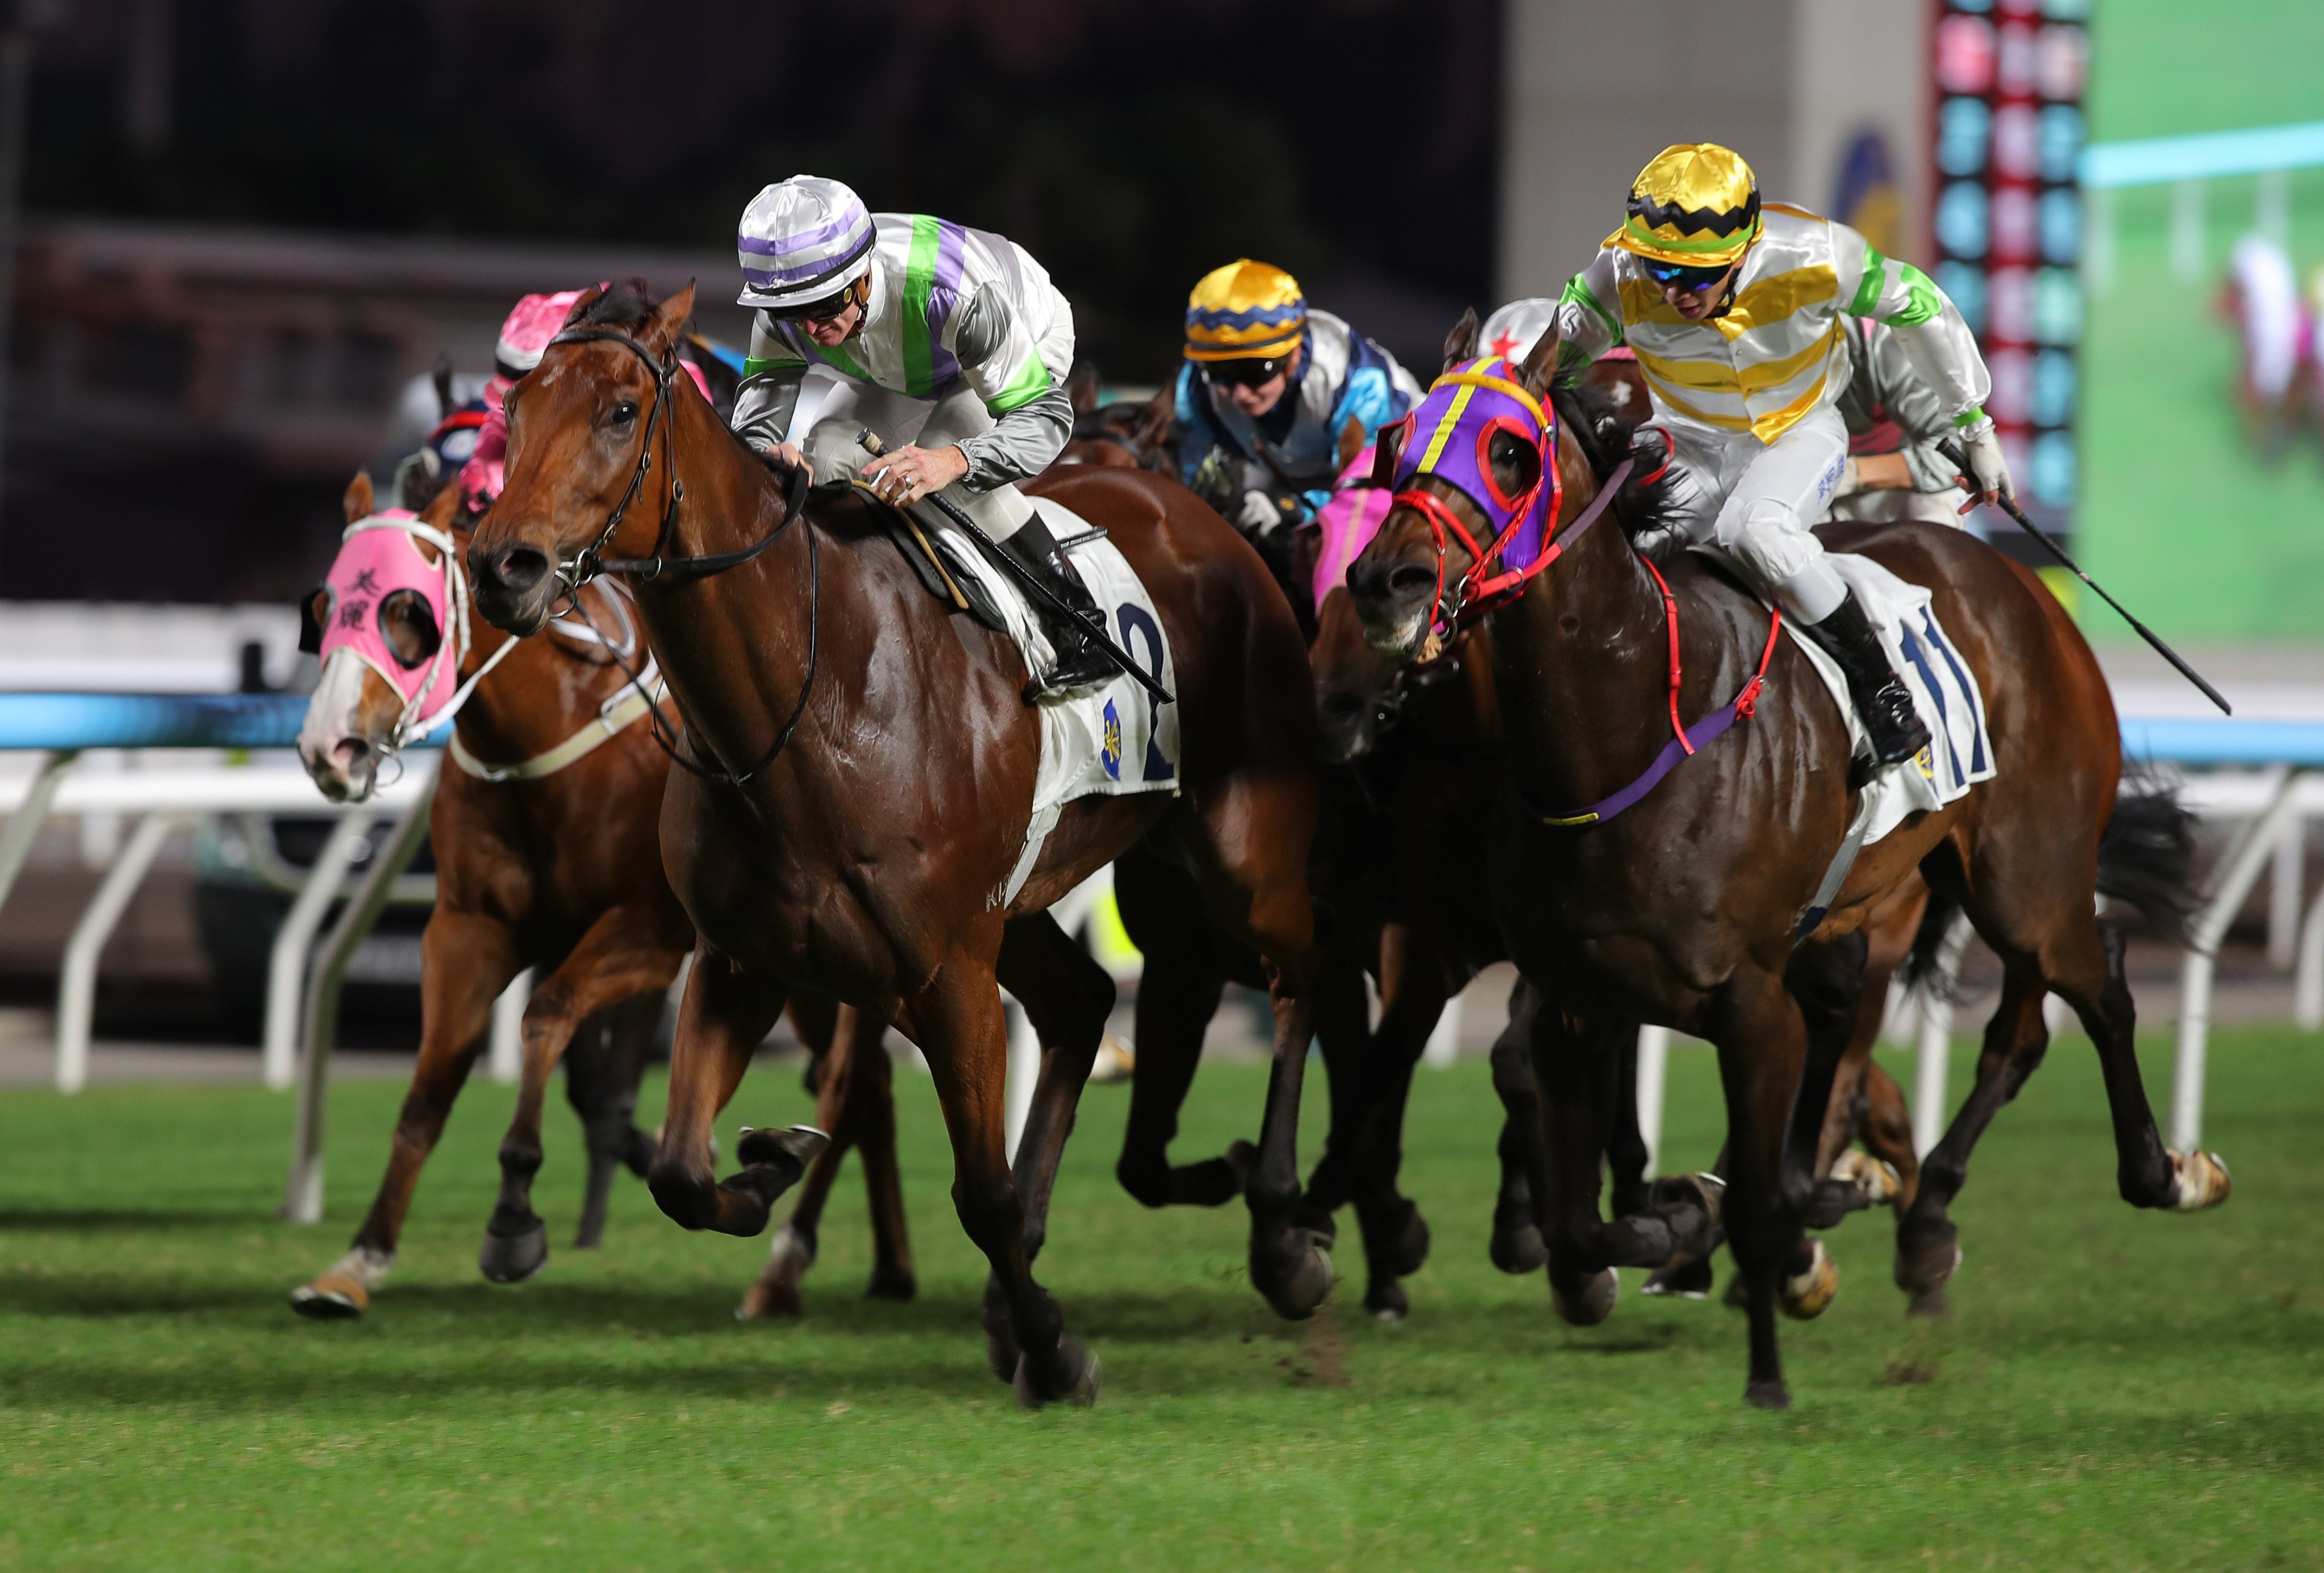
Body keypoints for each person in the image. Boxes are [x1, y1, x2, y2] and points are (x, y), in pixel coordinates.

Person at [1546, 143, 2012, 769]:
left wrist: (1974, 424)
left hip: (1797, 434)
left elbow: (1921, 304)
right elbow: (1545, 369)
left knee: (1757, 530)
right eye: (1662, 270)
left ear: (1742, 250)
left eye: (1698, 274)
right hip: (1686, 439)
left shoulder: (1818, 255)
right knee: (1612, 557)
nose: (1678, 292)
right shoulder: (1618, 275)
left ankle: (1883, 692)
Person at [728, 175, 1111, 699]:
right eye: (791, 315)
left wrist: (952, 461)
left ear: (862, 276)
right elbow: (753, 434)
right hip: (915, 362)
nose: (810, 330)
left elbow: (1044, 420)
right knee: (828, 456)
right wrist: (766, 455)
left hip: (1021, 332)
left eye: (822, 308)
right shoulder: (786, 308)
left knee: (946, 479)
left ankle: (1082, 627)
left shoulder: (952, 292)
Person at [1174, 259, 1421, 577]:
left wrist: (1291, 512)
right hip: (1284, 476)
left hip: (1390, 476)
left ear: (1293, 356)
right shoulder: (1196, 389)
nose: (1240, 394)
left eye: (1255, 372)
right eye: (1219, 372)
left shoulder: (1355, 382)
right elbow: (1179, 478)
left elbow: (1361, 493)